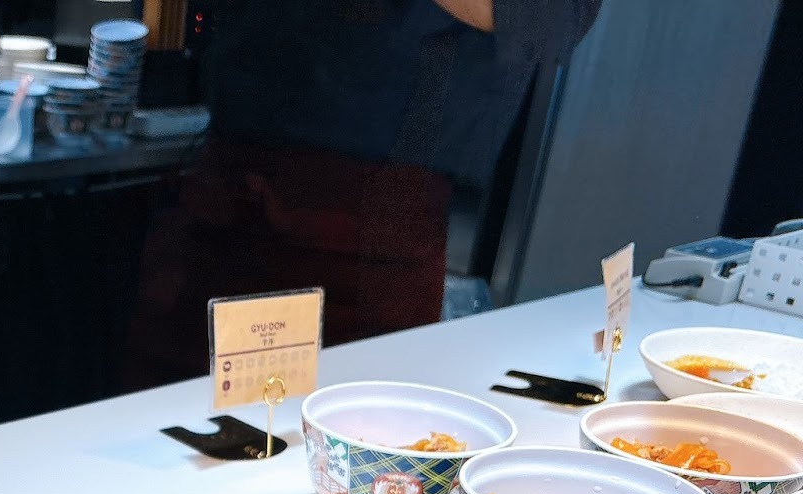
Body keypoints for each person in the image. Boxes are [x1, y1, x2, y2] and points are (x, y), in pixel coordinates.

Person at [122, 0, 603, 391]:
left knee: (337, 433)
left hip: (373, 212)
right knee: (169, 417)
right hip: (224, 179)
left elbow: (550, 19)